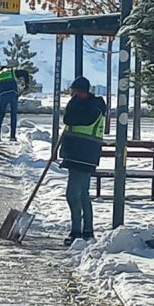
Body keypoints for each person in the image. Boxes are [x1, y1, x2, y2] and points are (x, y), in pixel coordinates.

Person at [59, 76, 106, 246]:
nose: (71, 94)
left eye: (74, 91)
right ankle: (87, 231)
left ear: (81, 92)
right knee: (83, 194)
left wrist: (73, 104)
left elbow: (70, 119)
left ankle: (77, 232)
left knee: (73, 194)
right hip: (80, 153)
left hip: (82, 154)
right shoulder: (88, 105)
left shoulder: (91, 108)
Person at [0, 66, 30, 141]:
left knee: (0, 114)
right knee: (13, 115)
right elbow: (25, 73)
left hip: (3, 95)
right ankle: (12, 136)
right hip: (12, 94)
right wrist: (27, 83)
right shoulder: (11, 71)